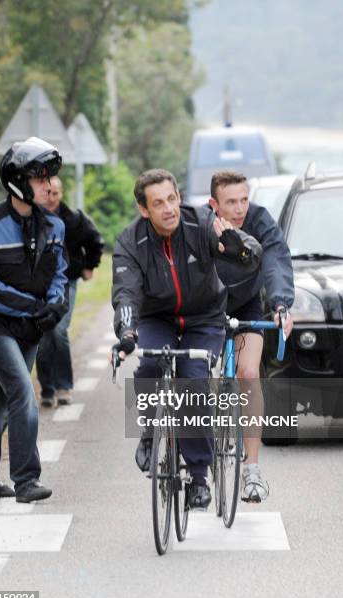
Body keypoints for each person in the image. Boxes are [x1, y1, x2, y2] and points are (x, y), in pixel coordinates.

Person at [111, 168, 257, 509]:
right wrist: (127, 332)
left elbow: (249, 253)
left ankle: (199, 476)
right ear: (144, 210)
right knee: (148, 363)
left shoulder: (202, 224)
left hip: (203, 317)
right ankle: (149, 431)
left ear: (180, 198)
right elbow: (126, 293)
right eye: (158, 203)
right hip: (156, 317)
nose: (169, 209)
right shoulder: (130, 242)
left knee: (193, 381)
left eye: (172, 199)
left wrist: (239, 248)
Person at [0, 137, 68, 503]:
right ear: (17, 181)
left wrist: (55, 304)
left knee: (4, 397)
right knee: (23, 391)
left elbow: (59, 273)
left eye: (49, 178)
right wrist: (32, 306)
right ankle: (26, 480)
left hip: (31, 327)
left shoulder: (55, 227)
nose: (48, 185)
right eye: (39, 178)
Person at [209, 170, 294, 503]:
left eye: (244, 199)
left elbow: (275, 259)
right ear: (215, 204)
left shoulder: (259, 220)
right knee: (195, 373)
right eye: (231, 202)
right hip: (208, 308)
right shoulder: (202, 224)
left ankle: (251, 469)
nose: (240, 207)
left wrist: (280, 303)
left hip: (246, 307)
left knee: (247, 374)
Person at [36, 176, 104, 408]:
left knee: (59, 330)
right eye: (48, 193)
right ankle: (47, 388)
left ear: (61, 193)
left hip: (66, 281)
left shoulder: (74, 219)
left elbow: (96, 241)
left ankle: (64, 385)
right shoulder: (32, 218)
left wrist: (89, 266)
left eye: (56, 193)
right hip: (39, 285)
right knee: (44, 333)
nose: (51, 198)